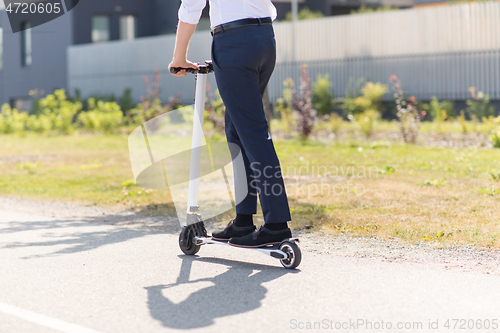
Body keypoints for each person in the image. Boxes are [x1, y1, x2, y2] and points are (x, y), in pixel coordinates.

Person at [169, 0, 292, 248]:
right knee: (238, 129)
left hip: (233, 41)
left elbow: (191, 8)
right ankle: (244, 220)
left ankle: (277, 225)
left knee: (254, 134)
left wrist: (179, 58)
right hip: (265, 38)